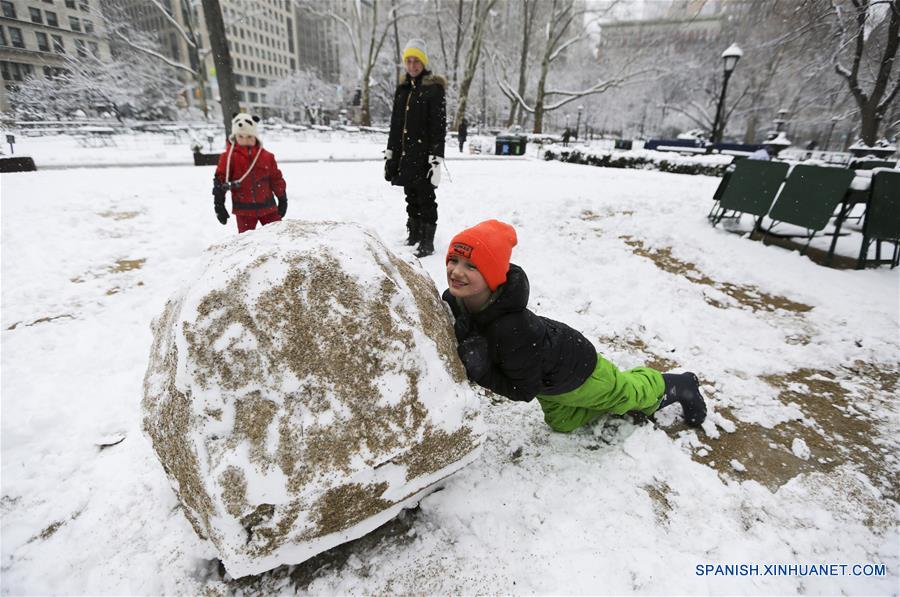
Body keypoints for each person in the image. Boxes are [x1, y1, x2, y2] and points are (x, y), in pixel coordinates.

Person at [442, 219, 708, 433]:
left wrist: (482, 370)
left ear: (493, 274)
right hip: (546, 380)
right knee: (563, 424)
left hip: (580, 372)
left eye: (471, 265)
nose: (456, 271)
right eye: (453, 260)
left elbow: (523, 391)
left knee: (630, 393)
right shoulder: (455, 300)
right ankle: (614, 404)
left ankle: (678, 384)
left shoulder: (512, 329)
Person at [384, 38, 447, 258]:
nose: (412, 65)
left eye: (416, 61)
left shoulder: (433, 89)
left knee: (426, 197)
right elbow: (395, 125)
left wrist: (436, 158)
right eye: (409, 61)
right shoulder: (402, 89)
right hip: (405, 155)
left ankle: (427, 242)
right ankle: (414, 234)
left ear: (423, 62)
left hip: (423, 156)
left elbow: (438, 127)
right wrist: (390, 155)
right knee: (410, 195)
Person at [213, 113, 287, 234]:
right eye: (241, 136)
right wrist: (219, 204)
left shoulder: (267, 156)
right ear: (235, 137)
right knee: (246, 243)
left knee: (276, 237)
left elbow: (276, 179)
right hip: (243, 211)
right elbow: (220, 181)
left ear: (255, 137)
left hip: (268, 208)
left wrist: (282, 198)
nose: (245, 140)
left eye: (249, 137)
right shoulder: (228, 157)